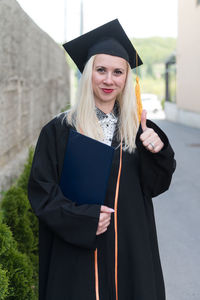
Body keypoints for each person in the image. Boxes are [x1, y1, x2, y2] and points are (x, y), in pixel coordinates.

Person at [28, 19, 176, 300]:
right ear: (88, 74)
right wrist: (82, 219)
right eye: (101, 70)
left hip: (131, 254)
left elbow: (156, 186)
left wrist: (159, 152)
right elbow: (41, 193)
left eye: (118, 72)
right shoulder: (60, 131)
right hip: (77, 258)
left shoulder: (139, 130)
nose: (109, 80)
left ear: (126, 79)